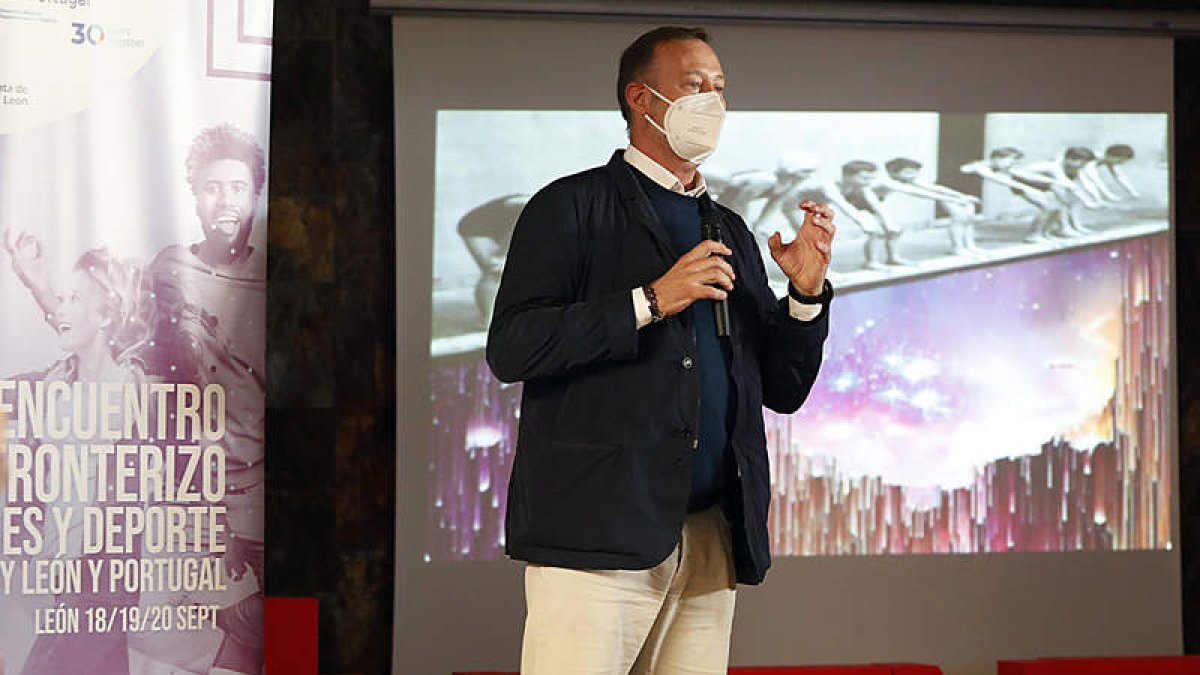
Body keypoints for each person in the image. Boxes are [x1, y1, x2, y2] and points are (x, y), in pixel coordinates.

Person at [486, 26, 835, 675]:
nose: (712, 103)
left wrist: (805, 296)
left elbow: (782, 388)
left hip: (710, 538)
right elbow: (513, 346)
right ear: (641, 99)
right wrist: (650, 300)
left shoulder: (727, 227)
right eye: (695, 86)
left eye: (720, 89)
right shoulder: (569, 206)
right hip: (597, 537)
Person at [0, 245, 152, 675]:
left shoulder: (135, 391)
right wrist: (37, 283)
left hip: (98, 591)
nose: (60, 309)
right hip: (52, 593)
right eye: (62, 299)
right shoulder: (53, 384)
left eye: (74, 298)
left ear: (106, 315)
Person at [880, 157, 982, 257]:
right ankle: (958, 248)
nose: (912, 176)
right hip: (872, 205)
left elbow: (937, 189)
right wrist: (955, 200)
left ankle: (892, 258)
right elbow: (919, 193)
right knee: (885, 231)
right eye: (908, 173)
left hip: (877, 203)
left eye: (915, 173)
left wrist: (961, 196)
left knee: (893, 232)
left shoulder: (907, 179)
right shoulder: (888, 181)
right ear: (893, 173)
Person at [456, 194, 529, 327]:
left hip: (504, 226)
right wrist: (503, 257)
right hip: (477, 227)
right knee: (495, 272)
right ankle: (487, 320)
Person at [961, 147, 1059, 243]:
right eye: (1011, 162)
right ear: (997, 158)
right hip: (957, 193)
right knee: (963, 220)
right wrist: (1027, 188)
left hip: (965, 194)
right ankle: (1034, 235)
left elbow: (1029, 176)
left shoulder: (998, 167)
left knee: (1051, 207)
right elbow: (999, 179)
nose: (1011, 165)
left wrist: (1059, 182)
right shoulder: (979, 166)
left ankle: (1042, 234)